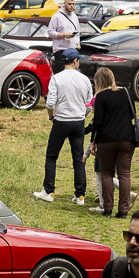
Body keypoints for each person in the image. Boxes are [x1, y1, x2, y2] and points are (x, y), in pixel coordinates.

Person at [37, 53, 93, 204]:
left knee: (52, 156)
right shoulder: (85, 79)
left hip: (61, 121)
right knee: (78, 158)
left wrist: (51, 116)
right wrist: (83, 115)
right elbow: (89, 103)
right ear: (75, 61)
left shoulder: (57, 78)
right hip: (78, 121)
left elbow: (50, 103)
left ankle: (49, 191)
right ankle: (80, 195)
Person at [89, 67, 138, 217]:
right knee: (124, 174)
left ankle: (107, 208)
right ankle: (123, 210)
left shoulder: (101, 97)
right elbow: (132, 114)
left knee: (106, 173)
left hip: (106, 139)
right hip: (126, 138)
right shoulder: (127, 93)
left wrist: (93, 141)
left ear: (98, 81)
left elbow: (97, 122)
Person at [48, 0, 81, 74]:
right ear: (64, 3)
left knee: (73, 74)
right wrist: (64, 35)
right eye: (69, 4)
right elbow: (50, 32)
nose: (71, 6)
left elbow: (78, 32)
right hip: (61, 50)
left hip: (73, 49)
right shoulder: (57, 16)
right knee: (62, 74)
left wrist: (78, 44)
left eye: (73, 4)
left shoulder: (74, 16)